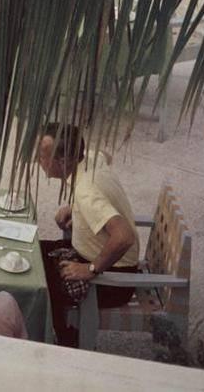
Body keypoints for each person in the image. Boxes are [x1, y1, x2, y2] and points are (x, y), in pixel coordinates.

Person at [37, 122, 141, 346]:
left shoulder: (86, 191)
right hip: (97, 254)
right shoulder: (90, 158)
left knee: (41, 286)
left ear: (64, 162)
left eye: (44, 157)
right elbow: (106, 155)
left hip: (114, 280)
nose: (39, 161)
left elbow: (124, 237)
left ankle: (66, 341)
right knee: (35, 255)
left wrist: (90, 269)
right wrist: (74, 207)